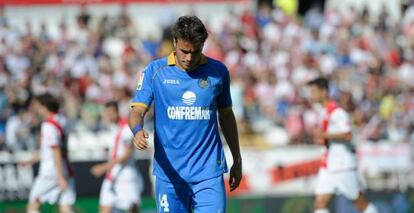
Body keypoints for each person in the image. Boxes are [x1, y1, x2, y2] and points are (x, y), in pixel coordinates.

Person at [129, 15, 242, 213]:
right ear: (174, 42)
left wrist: (237, 160)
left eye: (195, 51)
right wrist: (137, 130)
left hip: (208, 173)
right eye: (184, 51)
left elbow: (226, 116)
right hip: (169, 174)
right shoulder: (155, 71)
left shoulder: (218, 72)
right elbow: (137, 110)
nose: (189, 58)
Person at [308, 78, 378, 213]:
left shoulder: (338, 113)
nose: (312, 95)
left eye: (314, 91)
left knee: (359, 202)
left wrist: (325, 135)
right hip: (329, 165)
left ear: (324, 92)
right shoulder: (323, 112)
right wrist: (323, 139)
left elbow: (347, 134)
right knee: (320, 203)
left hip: (343, 165)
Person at [22, 93, 76, 213]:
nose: (36, 109)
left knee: (33, 205)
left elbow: (55, 149)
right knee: (65, 207)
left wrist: (59, 176)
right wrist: (32, 160)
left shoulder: (48, 125)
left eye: (37, 106)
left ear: (44, 107)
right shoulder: (62, 120)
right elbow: (49, 149)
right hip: (65, 167)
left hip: (51, 171)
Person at [91, 101, 143, 213]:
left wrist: (104, 167)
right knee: (104, 209)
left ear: (117, 112)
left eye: (111, 113)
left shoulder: (127, 129)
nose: (109, 116)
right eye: (107, 113)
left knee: (132, 209)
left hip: (126, 176)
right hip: (111, 177)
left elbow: (126, 156)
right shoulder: (112, 127)